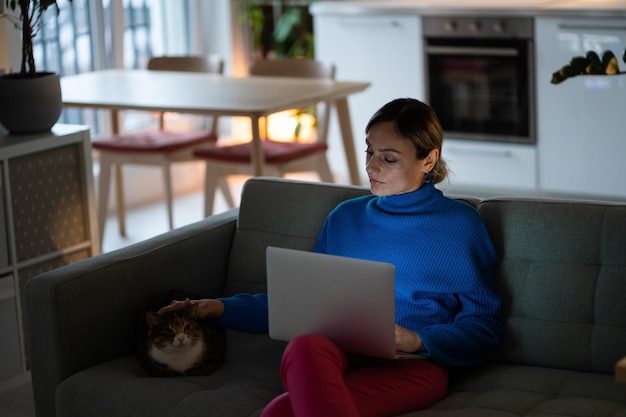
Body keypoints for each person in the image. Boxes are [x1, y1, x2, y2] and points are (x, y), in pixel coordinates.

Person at [159, 98, 502, 417]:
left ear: (428, 160)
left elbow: (484, 329)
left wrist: (416, 340)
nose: (371, 166)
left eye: (389, 157)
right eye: (368, 152)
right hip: (332, 356)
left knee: (278, 413)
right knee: (305, 345)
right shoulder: (345, 217)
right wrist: (218, 307)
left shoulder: (460, 226)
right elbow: (300, 305)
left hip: (412, 367)